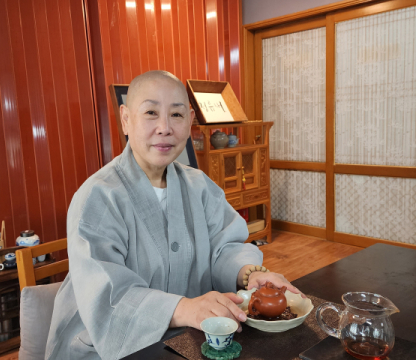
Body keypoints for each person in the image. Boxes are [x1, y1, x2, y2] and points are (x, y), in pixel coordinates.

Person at [45, 70, 301, 360]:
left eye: (176, 115)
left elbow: (225, 247)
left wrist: (249, 274)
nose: (165, 127)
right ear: (126, 119)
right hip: (107, 347)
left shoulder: (200, 186)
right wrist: (184, 308)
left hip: (187, 339)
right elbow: (109, 296)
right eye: (151, 112)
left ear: (190, 120)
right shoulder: (98, 198)